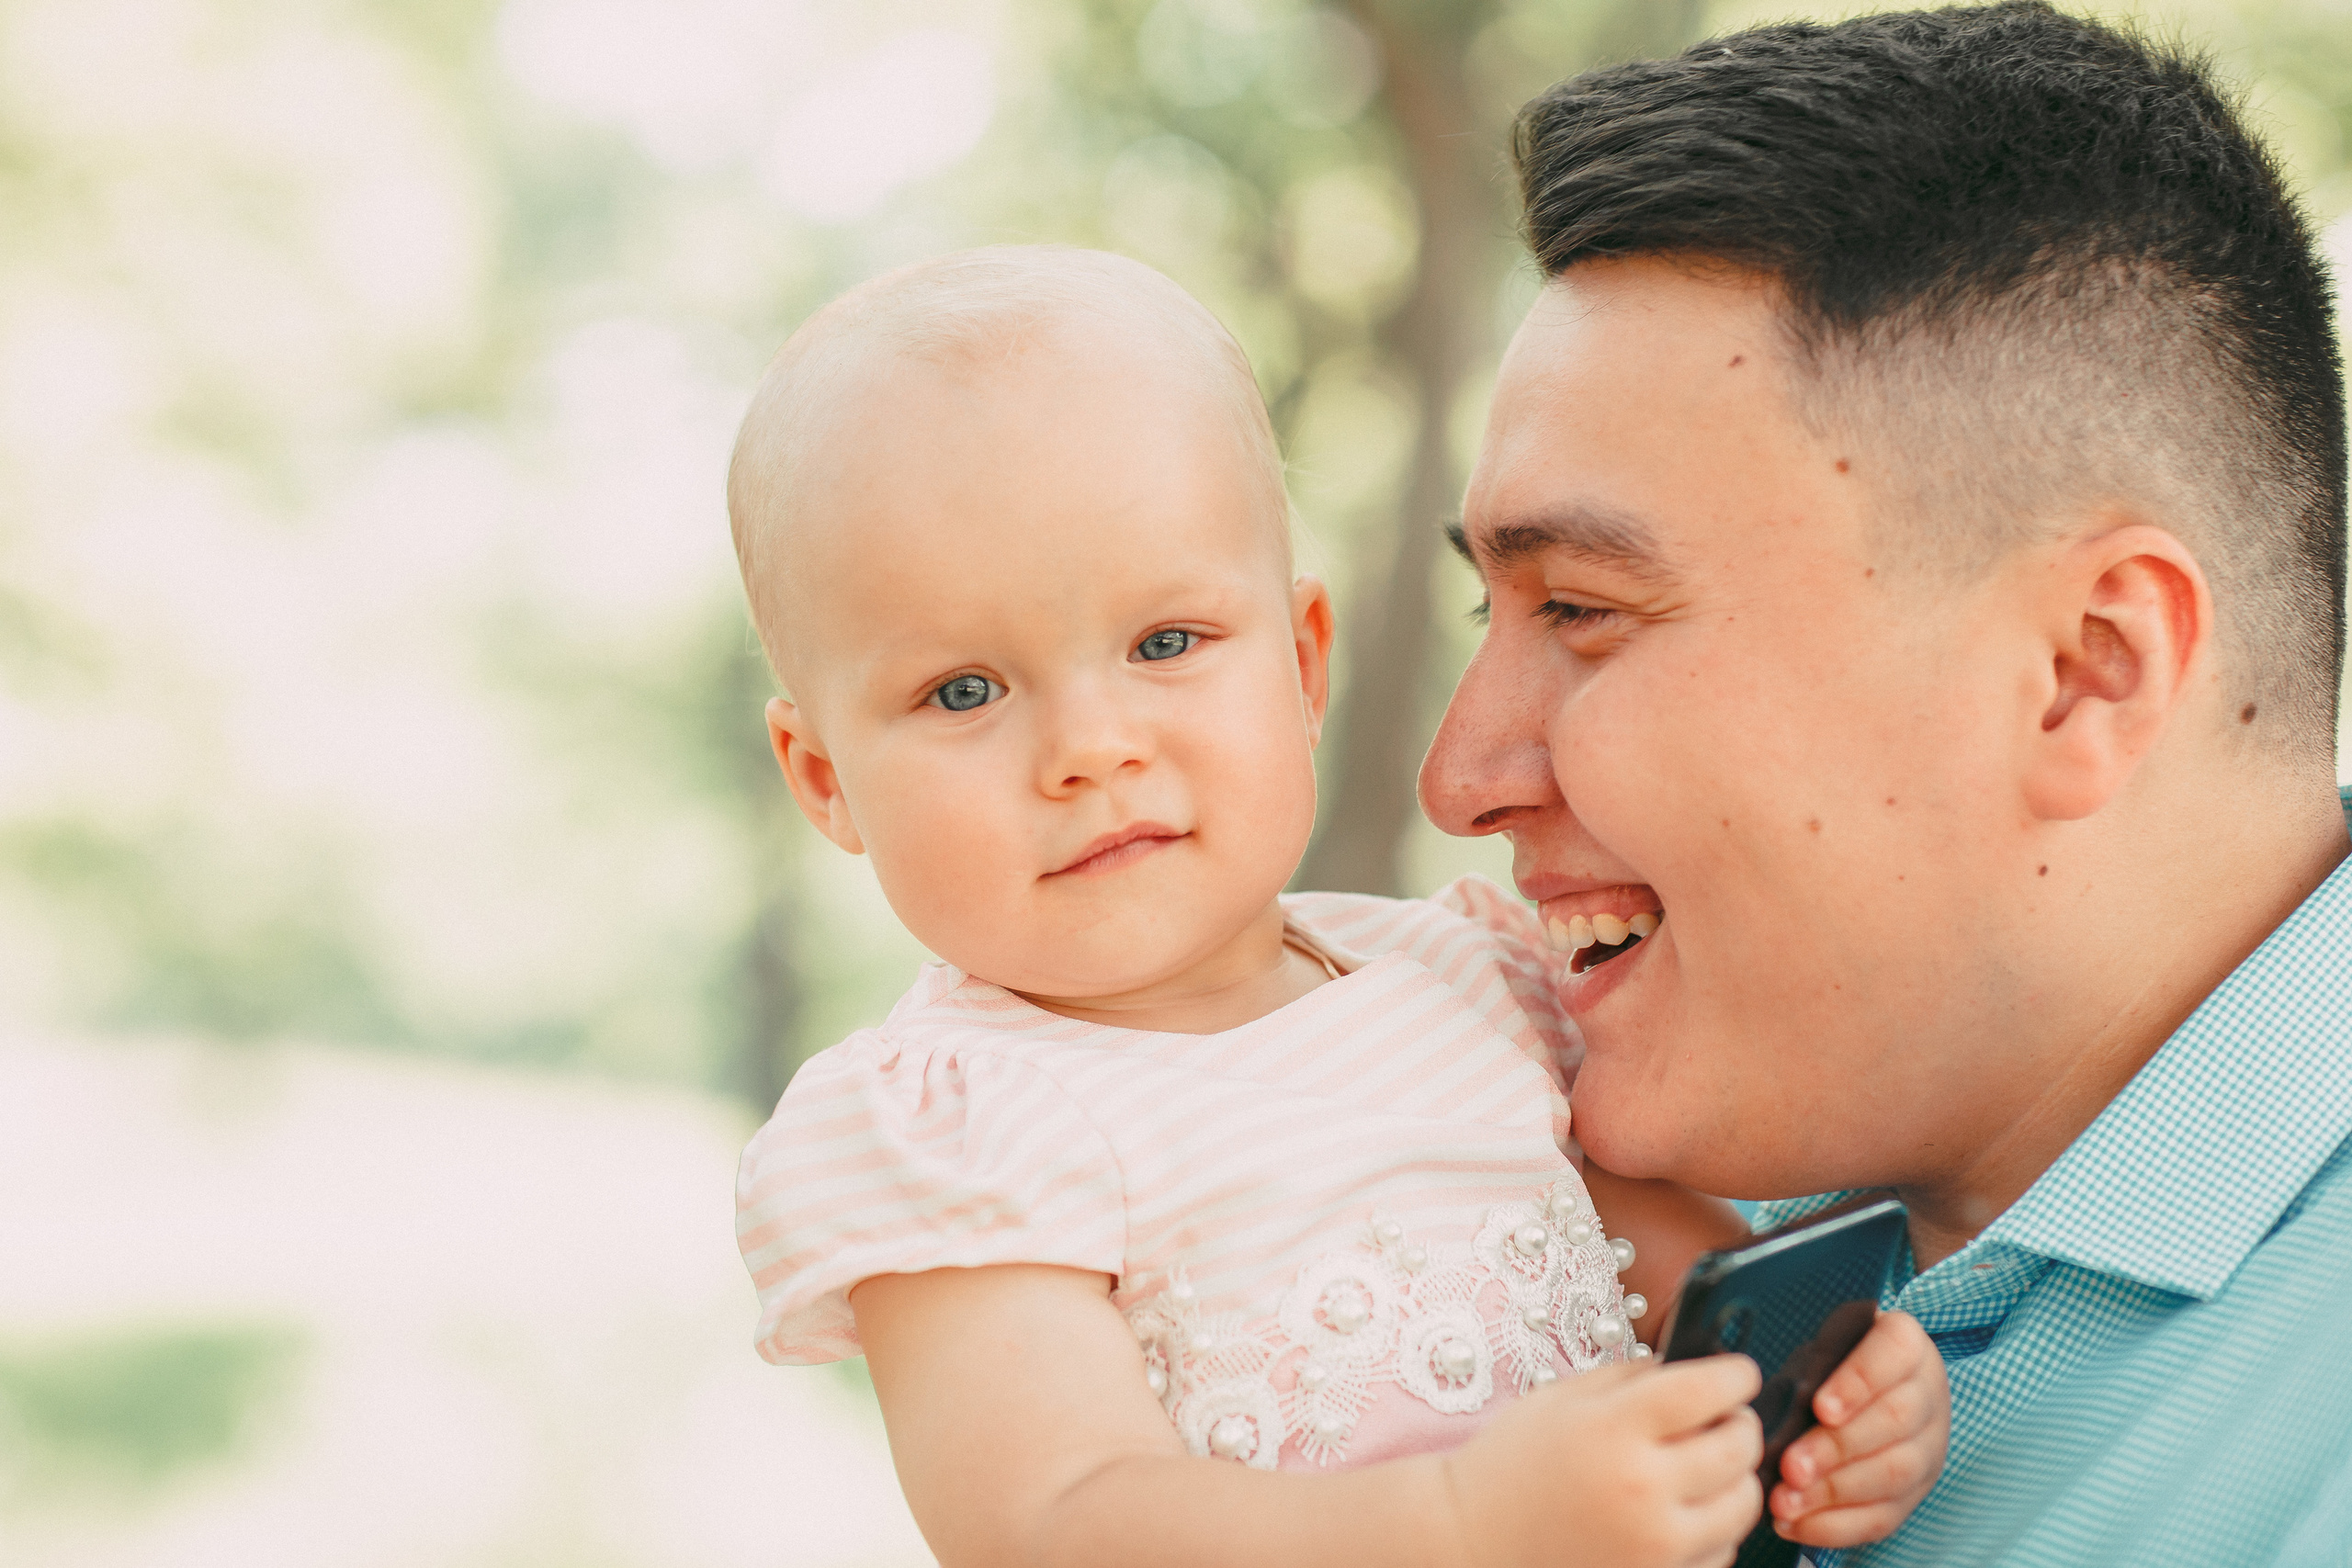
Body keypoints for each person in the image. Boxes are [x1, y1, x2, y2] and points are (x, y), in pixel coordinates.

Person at [726, 245, 1948, 1567]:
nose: (1090, 746)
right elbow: (1056, 1523)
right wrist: (1463, 1526)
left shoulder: (1468, 982)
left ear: (1303, 666)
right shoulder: (967, 1124)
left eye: (1164, 644)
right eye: (963, 690)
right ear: (824, 778)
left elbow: (1704, 1309)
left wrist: (1839, 1396)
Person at [1420, 5, 2352, 1563]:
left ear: (2084, 671)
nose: (1462, 779)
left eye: (1580, 607)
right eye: (1490, 613)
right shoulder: (1558, 1236)